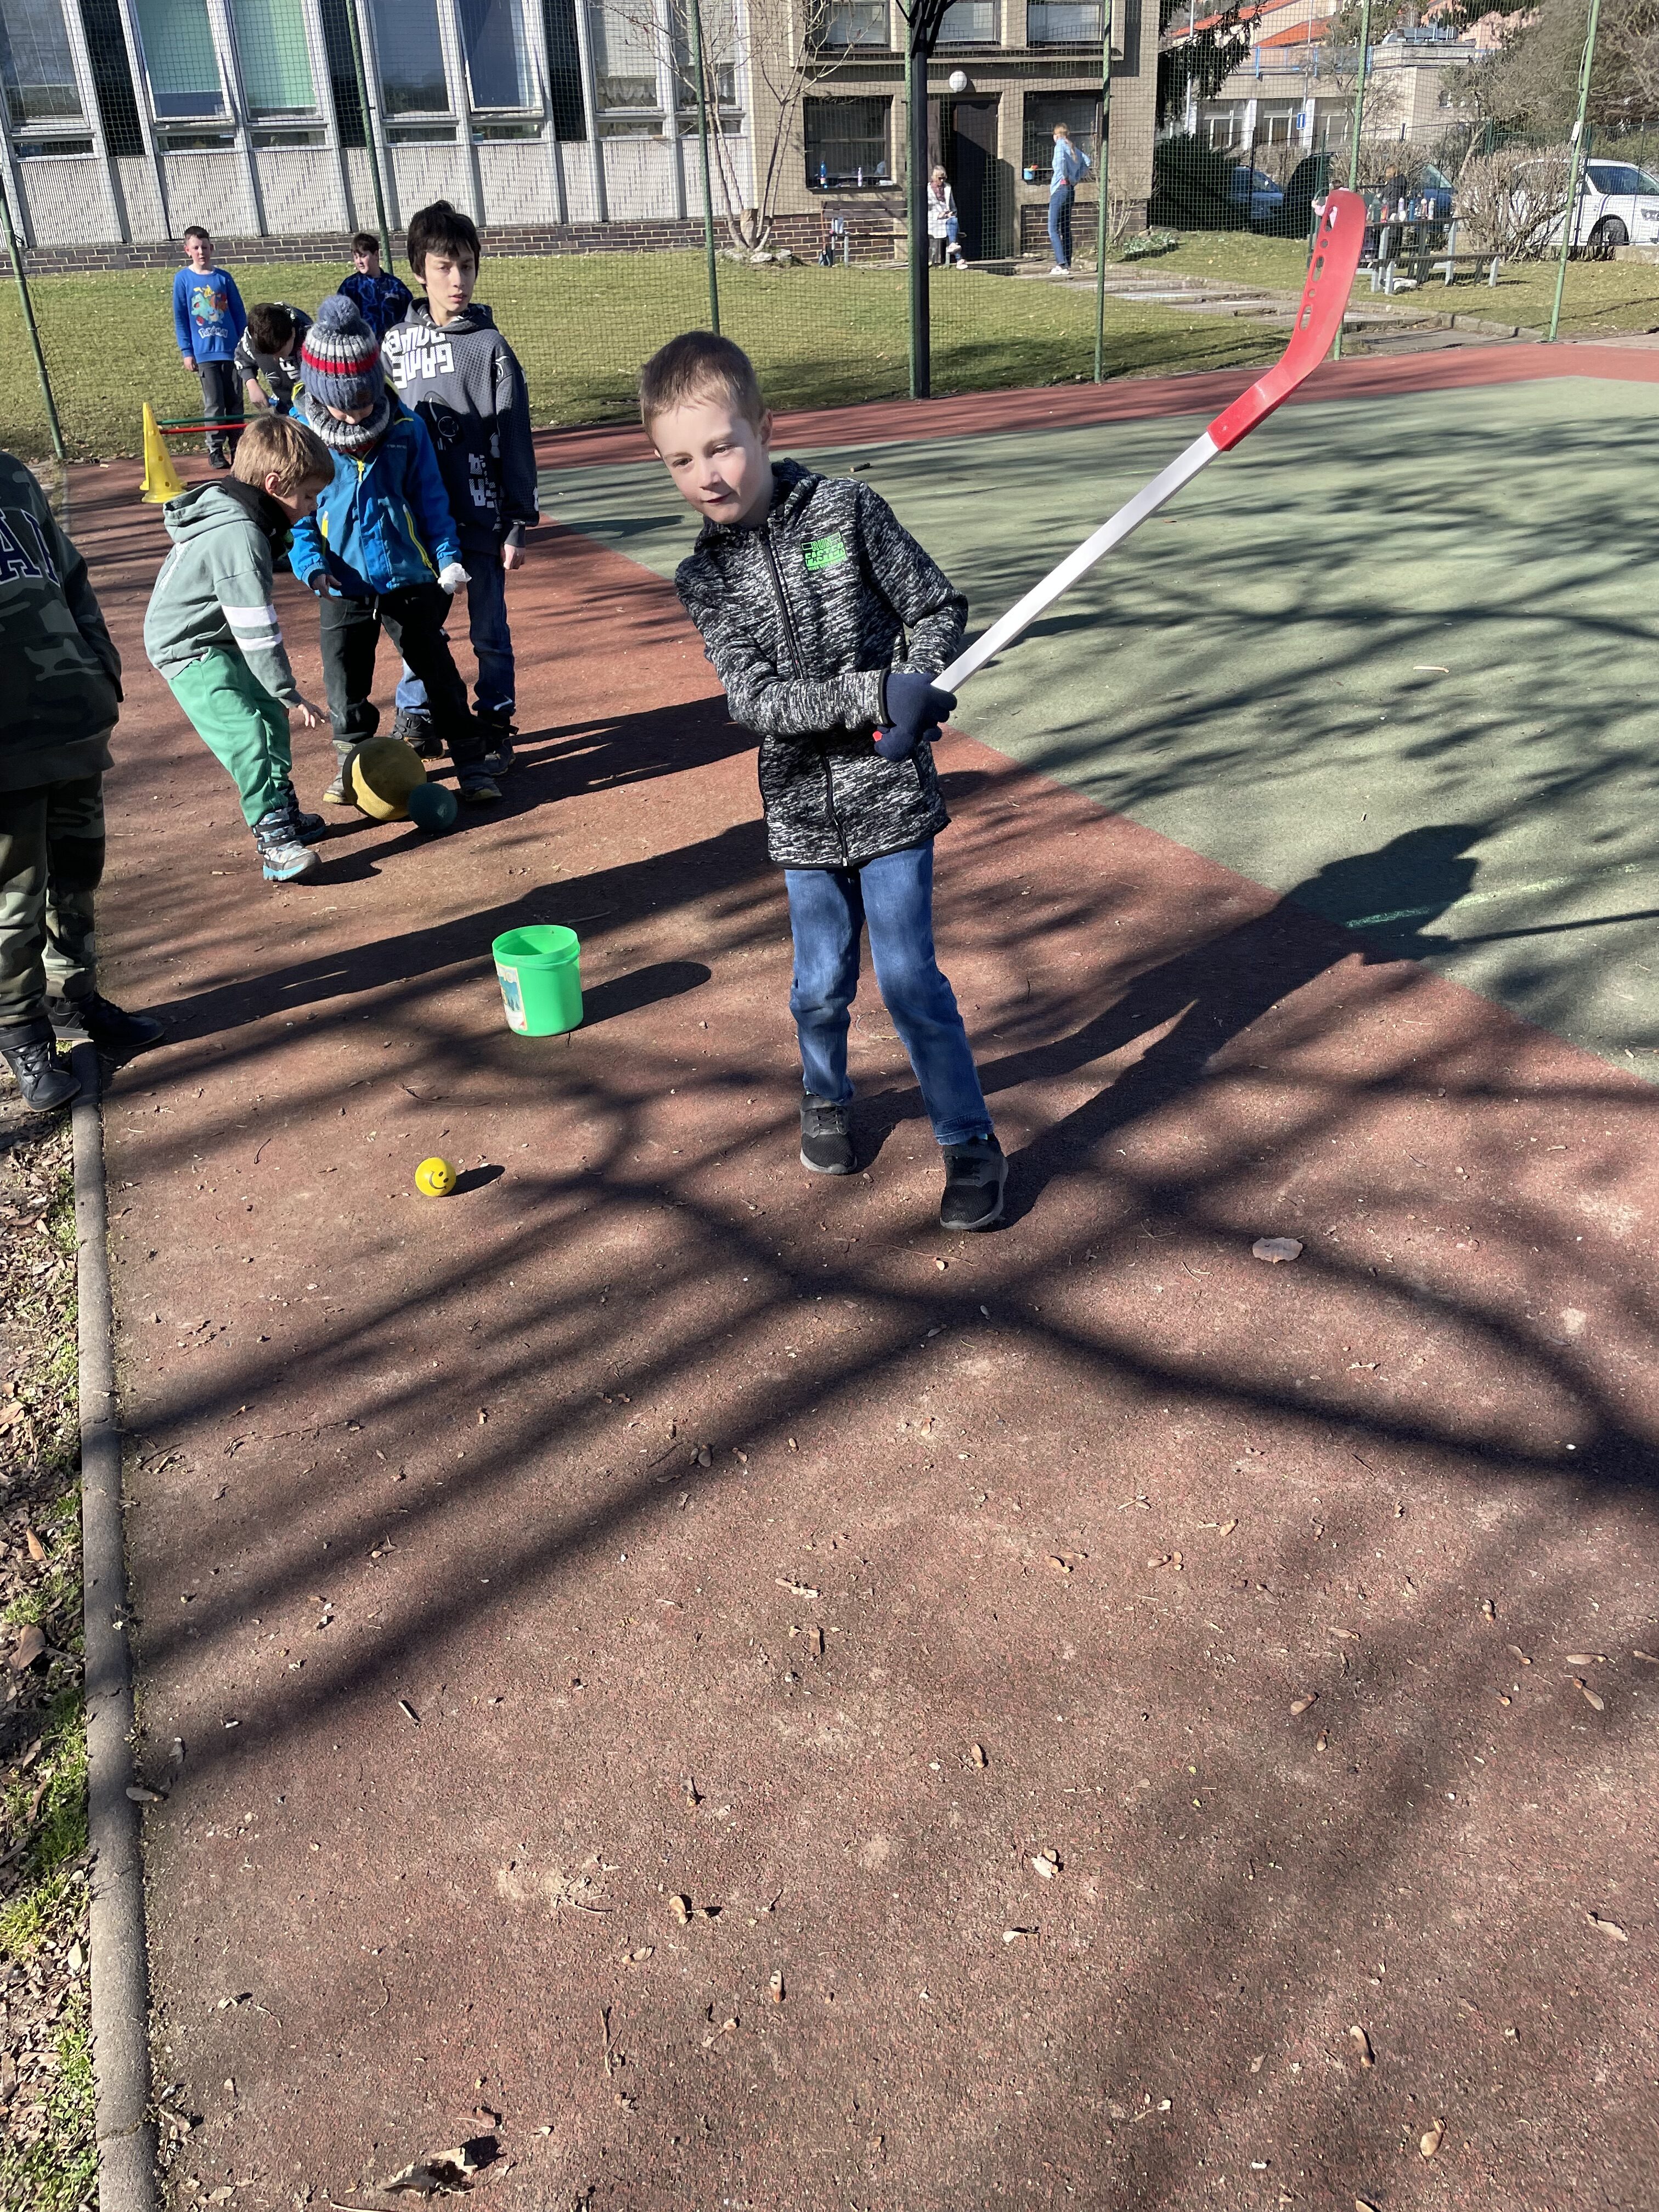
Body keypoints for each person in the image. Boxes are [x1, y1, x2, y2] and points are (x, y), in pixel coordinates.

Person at [641, 330, 1006, 1233]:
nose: (707, 476)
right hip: (802, 810)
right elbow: (756, 701)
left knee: (910, 978)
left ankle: (968, 1139)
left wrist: (919, 683)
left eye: (721, 447)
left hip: (891, 798)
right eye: (680, 461)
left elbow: (935, 607)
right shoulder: (704, 577)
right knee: (818, 985)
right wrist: (874, 693)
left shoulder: (847, 513)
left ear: (763, 429)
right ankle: (825, 1093)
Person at [287, 294, 499, 807]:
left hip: (409, 577)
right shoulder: (302, 435)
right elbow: (298, 517)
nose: (356, 414)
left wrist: (447, 556)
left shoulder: (406, 428)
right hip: (340, 582)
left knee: (438, 672)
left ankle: (471, 762)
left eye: (364, 401)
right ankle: (351, 767)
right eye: (344, 404)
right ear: (319, 393)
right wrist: (312, 566)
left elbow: (431, 500)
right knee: (345, 680)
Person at [1, 449, 163, 1109]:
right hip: (4, 747)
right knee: (13, 899)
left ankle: (75, 999)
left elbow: (69, 575)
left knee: (77, 871)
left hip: (70, 717)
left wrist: (101, 666)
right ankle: (22, 1032)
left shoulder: (12, 475)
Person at [144, 412, 335, 884]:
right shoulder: (240, 535)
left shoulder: (250, 514)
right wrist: (287, 689)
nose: (312, 507)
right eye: (308, 496)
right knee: (245, 730)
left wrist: (278, 697)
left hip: (220, 633)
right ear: (274, 485)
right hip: (186, 646)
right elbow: (256, 628)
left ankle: (281, 804)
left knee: (271, 717)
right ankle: (272, 836)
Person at [381, 199, 538, 772]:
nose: (458, 280)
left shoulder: (490, 347)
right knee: (422, 627)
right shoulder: (396, 348)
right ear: (419, 271)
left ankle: (494, 720)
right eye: (444, 267)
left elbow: (515, 437)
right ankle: (418, 714)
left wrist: (517, 521)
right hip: (419, 523)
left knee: (489, 630)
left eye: (467, 266)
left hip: (482, 516)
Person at [172, 225, 247, 466]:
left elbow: (239, 313)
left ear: (211, 248)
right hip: (204, 353)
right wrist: (187, 352)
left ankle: (238, 448)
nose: (201, 252)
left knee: (235, 402)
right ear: (187, 250)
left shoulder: (223, 278)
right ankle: (216, 450)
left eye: (204, 247)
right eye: (196, 248)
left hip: (230, 351)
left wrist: (244, 345)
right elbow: (181, 318)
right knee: (214, 404)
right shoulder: (183, 279)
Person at [233, 302, 313, 415]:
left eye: (280, 353)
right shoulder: (255, 337)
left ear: (293, 333)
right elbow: (242, 357)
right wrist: (251, 384)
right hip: (284, 408)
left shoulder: (310, 339)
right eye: (268, 355)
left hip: (313, 408)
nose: (276, 359)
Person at [340, 231, 414, 343]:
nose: (359, 262)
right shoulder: (350, 287)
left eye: (363, 256)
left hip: (394, 345)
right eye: (356, 257)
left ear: (376, 255)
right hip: (363, 348)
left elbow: (410, 318)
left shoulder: (396, 286)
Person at [1047, 123, 1090, 275]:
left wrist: (1066, 177)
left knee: (1053, 228)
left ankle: (1061, 264)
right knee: (1065, 227)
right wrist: (1076, 179)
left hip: (1060, 189)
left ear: (1056, 135)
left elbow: (1060, 162)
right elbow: (1087, 162)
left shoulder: (1059, 145)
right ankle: (1067, 263)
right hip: (1070, 191)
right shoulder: (1072, 147)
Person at [927, 168, 964, 268]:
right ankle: (959, 259)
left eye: (944, 178)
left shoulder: (948, 187)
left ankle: (954, 248)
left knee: (954, 221)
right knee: (953, 228)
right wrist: (938, 215)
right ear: (934, 178)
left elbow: (953, 206)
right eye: (940, 178)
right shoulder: (927, 190)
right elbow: (923, 210)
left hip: (947, 219)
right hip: (933, 221)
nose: (942, 180)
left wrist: (952, 213)